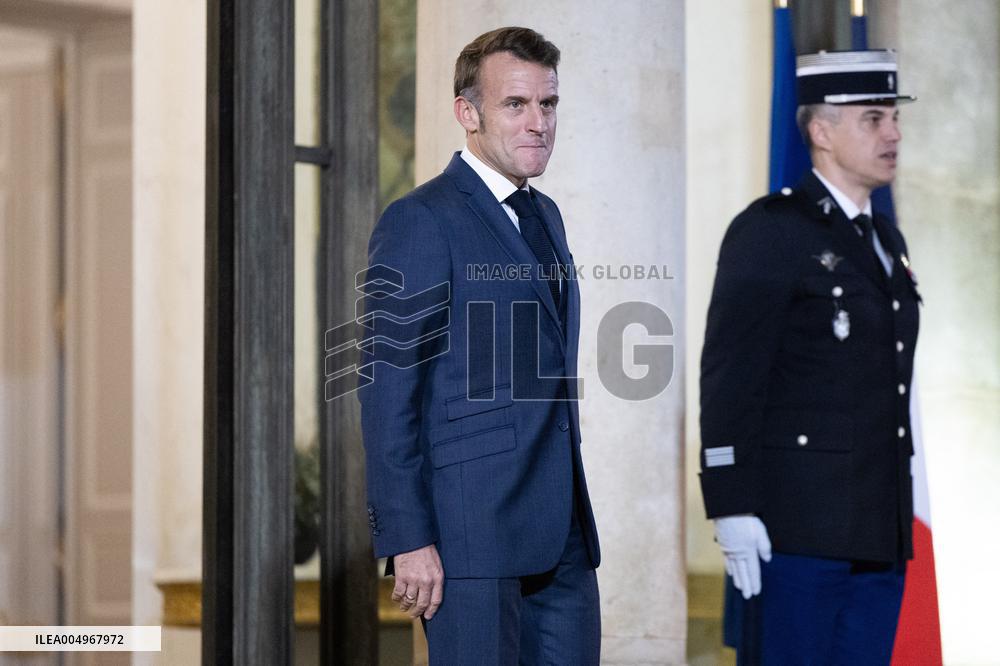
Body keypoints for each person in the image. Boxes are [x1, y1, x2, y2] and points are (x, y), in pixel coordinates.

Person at [358, 27, 601, 664]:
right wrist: (408, 537)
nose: (538, 123)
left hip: (563, 535)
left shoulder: (544, 214)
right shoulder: (419, 219)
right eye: (515, 105)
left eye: (547, 104)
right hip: (469, 541)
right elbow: (387, 391)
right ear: (468, 113)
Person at [699, 49, 921, 664]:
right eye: (873, 119)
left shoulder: (884, 240)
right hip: (796, 530)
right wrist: (731, 502)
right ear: (821, 132)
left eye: (893, 118)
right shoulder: (772, 230)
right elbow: (730, 378)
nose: (893, 133)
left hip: (878, 528)